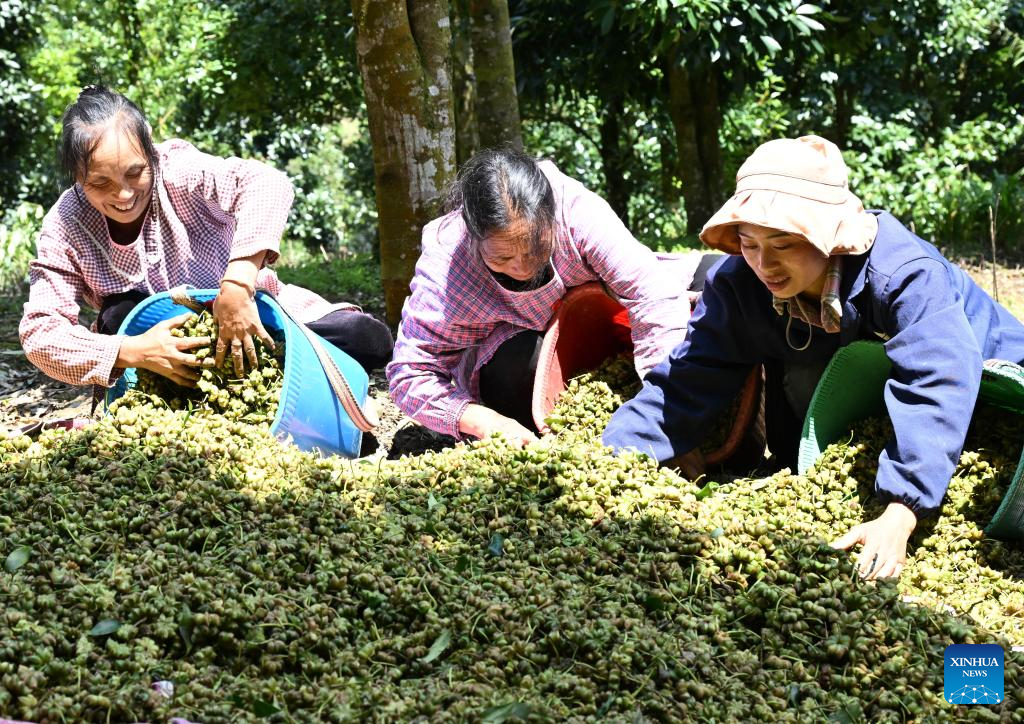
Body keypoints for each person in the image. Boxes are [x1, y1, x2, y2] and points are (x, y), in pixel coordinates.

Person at [602, 135, 1024, 580]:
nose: (764, 264)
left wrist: (902, 508)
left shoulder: (904, 276)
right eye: (749, 243)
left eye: (783, 244)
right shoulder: (739, 284)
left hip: (993, 387)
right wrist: (614, 460)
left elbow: (938, 379)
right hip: (880, 393)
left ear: (829, 237)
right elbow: (690, 375)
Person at [20, 85, 393, 394]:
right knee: (120, 313)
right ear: (77, 177)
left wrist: (237, 284)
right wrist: (134, 350)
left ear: (150, 150)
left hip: (251, 311)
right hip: (161, 360)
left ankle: (270, 375)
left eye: (135, 173)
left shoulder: (179, 170)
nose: (124, 195)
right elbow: (40, 332)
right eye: (100, 183)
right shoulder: (66, 224)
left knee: (366, 338)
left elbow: (267, 183)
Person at [387, 147, 706, 447]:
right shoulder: (447, 263)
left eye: (536, 248)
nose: (522, 266)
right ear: (472, 238)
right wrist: (484, 422)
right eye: (502, 258)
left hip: (613, 323)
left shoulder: (575, 210)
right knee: (514, 372)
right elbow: (409, 374)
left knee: (721, 282)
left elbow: (652, 294)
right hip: (527, 355)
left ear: (550, 215)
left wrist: (665, 412)